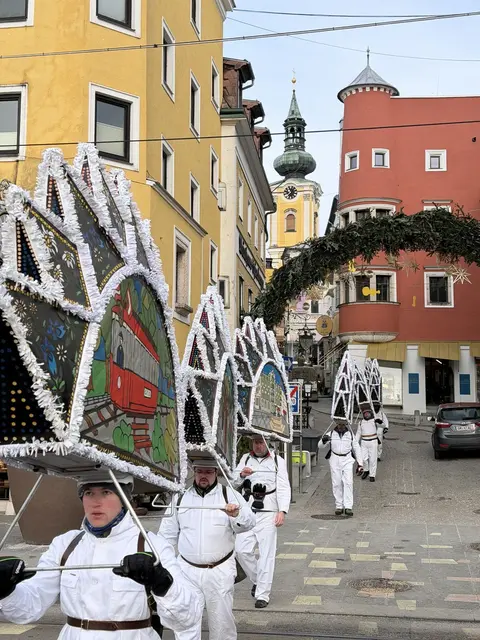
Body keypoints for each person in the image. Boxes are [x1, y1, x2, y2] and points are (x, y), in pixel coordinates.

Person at [0, 472, 201, 638]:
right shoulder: (65, 545)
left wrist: (162, 584)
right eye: (89, 493)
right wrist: (6, 590)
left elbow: (187, 619)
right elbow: (28, 608)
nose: (96, 502)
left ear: (124, 499)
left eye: (106, 492)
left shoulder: (152, 545)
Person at [159, 463, 255, 640]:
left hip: (219, 570)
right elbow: (166, 535)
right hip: (186, 570)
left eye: (208, 471)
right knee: (186, 620)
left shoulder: (229, 494)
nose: (203, 475)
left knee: (222, 623)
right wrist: (165, 566)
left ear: (216, 473)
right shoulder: (180, 498)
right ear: (194, 472)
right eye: (200, 471)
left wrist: (236, 515)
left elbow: (249, 522)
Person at [234, 434, 291, 609]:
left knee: (266, 554)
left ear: (267, 443)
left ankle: (263, 594)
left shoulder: (277, 461)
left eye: (260, 442)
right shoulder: (245, 458)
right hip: (248, 510)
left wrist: (282, 510)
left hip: (268, 511)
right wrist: (241, 474)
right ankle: (259, 580)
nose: (257, 446)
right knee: (241, 550)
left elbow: (283, 486)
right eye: (255, 442)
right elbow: (233, 481)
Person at [321, 421, 363, 516]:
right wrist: (323, 441)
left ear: (345, 424)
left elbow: (356, 448)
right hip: (334, 459)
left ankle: (348, 506)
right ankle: (339, 506)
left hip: (347, 459)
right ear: (337, 424)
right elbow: (320, 446)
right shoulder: (331, 433)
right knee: (336, 483)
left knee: (348, 482)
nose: (341, 426)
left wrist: (360, 463)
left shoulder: (350, 434)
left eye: (343, 424)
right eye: (339, 424)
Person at [356, 408, 381, 482]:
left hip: (373, 442)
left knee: (373, 459)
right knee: (363, 458)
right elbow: (358, 433)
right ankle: (366, 470)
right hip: (364, 442)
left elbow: (383, 426)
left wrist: (380, 422)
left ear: (370, 413)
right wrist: (355, 442)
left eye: (368, 413)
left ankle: (372, 475)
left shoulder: (374, 421)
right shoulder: (361, 422)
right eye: (365, 413)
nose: (366, 414)